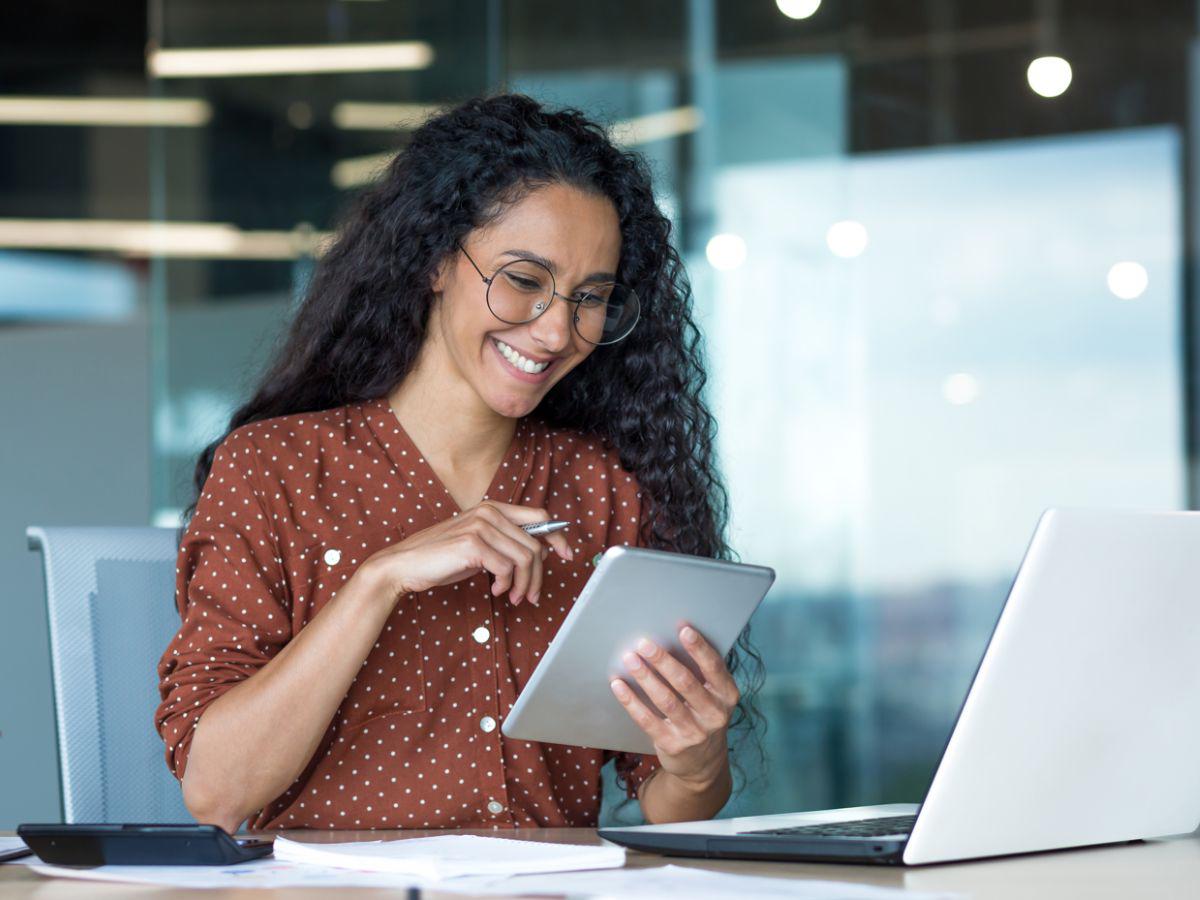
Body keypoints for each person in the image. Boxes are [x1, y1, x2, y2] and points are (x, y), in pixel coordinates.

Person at [155, 93, 759, 834]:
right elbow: (217, 793)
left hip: (550, 886)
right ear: (437, 260)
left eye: (591, 297)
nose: (557, 331)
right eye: (524, 280)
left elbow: (664, 797)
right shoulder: (273, 469)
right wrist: (379, 580)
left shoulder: (604, 488)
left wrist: (696, 765)